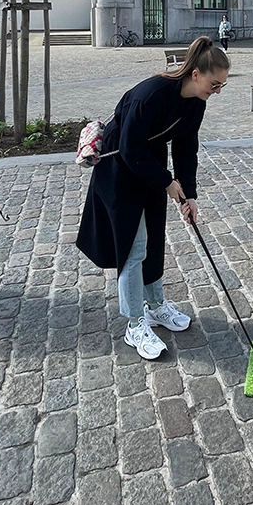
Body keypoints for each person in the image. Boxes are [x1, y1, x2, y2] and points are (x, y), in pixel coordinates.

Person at [76, 36, 230, 359]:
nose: (216, 92)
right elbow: (130, 147)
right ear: (196, 75)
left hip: (150, 164)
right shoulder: (153, 94)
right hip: (120, 165)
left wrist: (188, 193)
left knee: (153, 241)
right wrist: (166, 182)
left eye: (221, 87)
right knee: (133, 246)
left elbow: (187, 149)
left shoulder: (196, 105)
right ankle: (135, 324)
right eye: (214, 85)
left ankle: (156, 305)